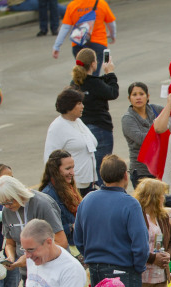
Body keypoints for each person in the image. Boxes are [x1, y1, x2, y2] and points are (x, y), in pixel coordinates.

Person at [73, 155, 149, 287]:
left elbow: (78, 239)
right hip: (123, 270)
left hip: (96, 269)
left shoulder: (87, 200)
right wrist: (137, 267)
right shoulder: (130, 204)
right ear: (125, 176)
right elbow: (140, 245)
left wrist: (92, 257)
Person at [0, 176, 69, 271]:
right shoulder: (6, 211)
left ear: (18, 194)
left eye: (10, 202)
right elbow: (10, 243)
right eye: (3, 203)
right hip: (27, 272)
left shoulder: (42, 204)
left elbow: (61, 242)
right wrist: (10, 258)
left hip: (52, 268)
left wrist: (31, 257)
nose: (7, 206)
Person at [70, 47, 118, 184]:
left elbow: (98, 86)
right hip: (100, 128)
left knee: (88, 167)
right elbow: (112, 92)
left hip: (80, 129)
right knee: (103, 169)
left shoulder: (74, 84)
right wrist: (110, 73)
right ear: (93, 64)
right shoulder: (95, 83)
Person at [44, 89, 98, 195]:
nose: (82, 106)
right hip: (72, 185)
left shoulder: (78, 121)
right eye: (79, 103)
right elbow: (49, 158)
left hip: (88, 182)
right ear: (69, 105)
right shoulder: (57, 127)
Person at [51, 0, 116, 74]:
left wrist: (57, 46)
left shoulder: (72, 5)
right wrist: (112, 35)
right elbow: (111, 23)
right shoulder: (101, 3)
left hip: (79, 45)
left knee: (82, 73)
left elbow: (65, 27)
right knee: (95, 73)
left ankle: (78, 84)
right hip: (99, 44)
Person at [122, 83, 163, 188]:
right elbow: (142, 139)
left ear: (147, 96)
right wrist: (160, 132)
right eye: (134, 95)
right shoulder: (128, 118)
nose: (138, 97)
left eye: (141, 94)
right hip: (141, 171)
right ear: (129, 98)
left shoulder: (155, 110)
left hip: (159, 168)